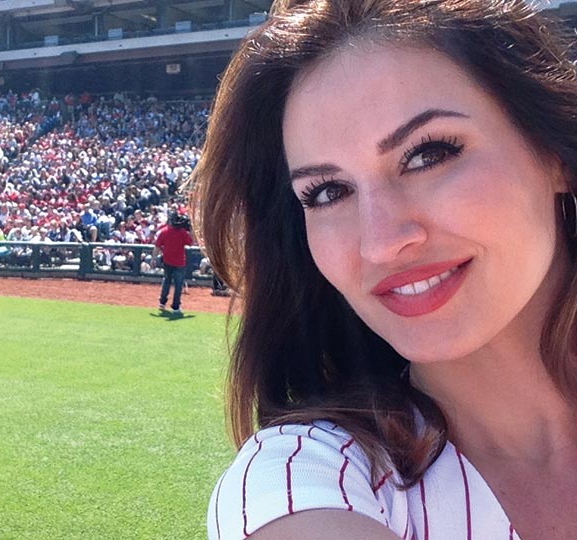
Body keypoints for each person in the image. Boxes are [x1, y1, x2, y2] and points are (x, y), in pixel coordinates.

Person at [193, 1, 577, 539]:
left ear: (555, 153)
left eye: (429, 154)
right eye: (327, 192)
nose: (381, 243)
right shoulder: (308, 477)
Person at [152, 212, 192, 315]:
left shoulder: (164, 231)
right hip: (179, 262)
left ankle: (162, 302)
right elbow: (191, 242)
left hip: (167, 261)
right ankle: (175, 306)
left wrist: (153, 258)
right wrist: (190, 231)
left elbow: (157, 246)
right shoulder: (183, 232)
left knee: (167, 281)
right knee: (178, 285)